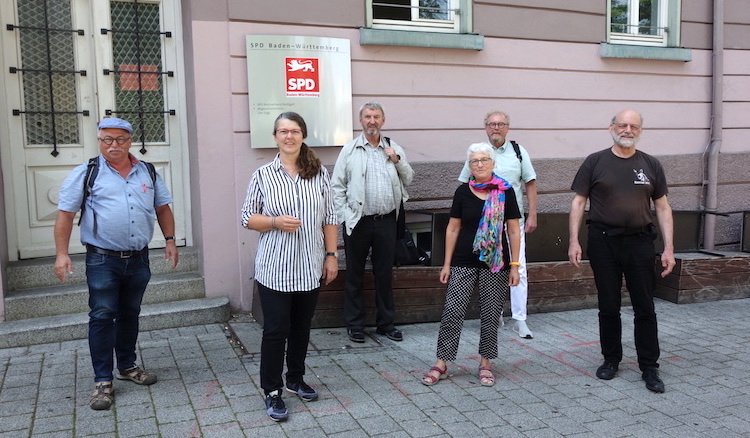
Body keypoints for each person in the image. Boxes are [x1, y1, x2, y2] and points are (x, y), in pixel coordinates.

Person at [53, 117, 179, 410]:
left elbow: (162, 208)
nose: (113, 145)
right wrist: (62, 254)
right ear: (99, 141)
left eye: (120, 139)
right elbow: (65, 215)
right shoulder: (87, 173)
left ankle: (127, 366)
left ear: (130, 141)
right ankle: (102, 380)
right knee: (101, 315)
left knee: (130, 313)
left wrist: (170, 240)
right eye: (106, 140)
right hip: (102, 259)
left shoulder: (147, 171)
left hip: (138, 258)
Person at [568, 109, 675, 393]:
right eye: (622, 125)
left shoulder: (651, 164)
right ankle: (611, 360)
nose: (627, 130)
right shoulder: (595, 161)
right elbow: (579, 203)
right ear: (611, 127)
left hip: (640, 242)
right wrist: (574, 241)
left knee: (645, 306)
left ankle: (650, 367)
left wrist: (669, 248)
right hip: (603, 241)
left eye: (633, 126)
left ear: (640, 131)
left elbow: (663, 208)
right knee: (608, 305)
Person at [241, 112, 338, 422]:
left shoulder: (318, 172)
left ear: (303, 136)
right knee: (275, 330)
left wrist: (332, 255)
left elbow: (330, 218)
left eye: (294, 131)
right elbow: (246, 217)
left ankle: (295, 379)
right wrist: (274, 222)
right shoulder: (263, 175)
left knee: (301, 328)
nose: (289, 137)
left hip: (309, 265)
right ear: (275, 137)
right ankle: (272, 390)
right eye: (283, 131)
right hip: (275, 268)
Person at [422, 143, 521, 387]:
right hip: (463, 260)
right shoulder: (463, 192)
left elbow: (514, 231)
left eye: (484, 159)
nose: (479, 164)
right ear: (469, 165)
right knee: (452, 312)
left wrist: (516, 266)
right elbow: (453, 228)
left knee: (490, 314)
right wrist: (446, 264)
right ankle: (442, 362)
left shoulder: (505, 192)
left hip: (495, 263)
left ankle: (486, 363)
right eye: (475, 161)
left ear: (493, 163)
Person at [331, 102, 414, 343]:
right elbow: (337, 186)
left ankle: (385, 324)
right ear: (361, 121)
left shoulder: (393, 148)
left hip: (387, 221)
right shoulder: (350, 150)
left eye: (376, 117)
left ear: (383, 120)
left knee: (384, 274)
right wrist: (344, 216)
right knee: (355, 274)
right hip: (358, 222)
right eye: (367, 117)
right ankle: (355, 325)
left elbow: (408, 178)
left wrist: (397, 159)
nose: (372, 121)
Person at [458, 111, 537, 339]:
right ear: (485, 127)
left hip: (513, 223)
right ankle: (494, 315)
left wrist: (533, 215)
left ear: (507, 127)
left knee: (518, 267)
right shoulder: (478, 153)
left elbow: (530, 184)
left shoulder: (519, 153)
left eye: (500, 124)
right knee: (488, 269)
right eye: (492, 124)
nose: (496, 127)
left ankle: (520, 319)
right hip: (484, 226)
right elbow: (465, 184)